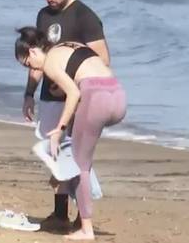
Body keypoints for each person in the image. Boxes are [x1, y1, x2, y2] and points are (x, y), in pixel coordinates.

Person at [15, 27, 126, 241]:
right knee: (81, 155)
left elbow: (74, 93)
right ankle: (70, 191)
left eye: (28, 64)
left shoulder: (49, 62)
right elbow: (88, 73)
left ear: (33, 51)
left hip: (96, 97)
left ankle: (86, 229)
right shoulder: (70, 45)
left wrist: (60, 128)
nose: (33, 69)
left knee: (78, 163)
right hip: (118, 97)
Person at [23, 0, 109, 233]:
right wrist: (29, 93)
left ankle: (80, 219)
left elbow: (103, 60)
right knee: (55, 152)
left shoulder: (85, 17)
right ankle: (60, 214)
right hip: (50, 95)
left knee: (76, 157)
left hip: (79, 97)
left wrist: (75, 81)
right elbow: (36, 59)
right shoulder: (43, 16)